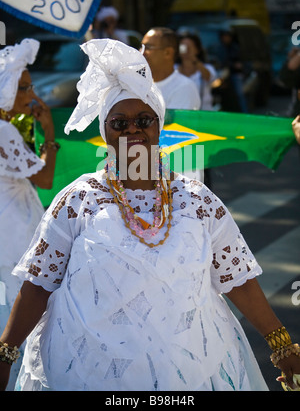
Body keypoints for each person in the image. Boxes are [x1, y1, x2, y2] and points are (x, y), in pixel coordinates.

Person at [1, 39, 300, 392]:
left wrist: (281, 346)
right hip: (88, 372)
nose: (132, 130)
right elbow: (38, 285)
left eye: (144, 120)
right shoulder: (79, 199)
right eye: (119, 122)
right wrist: (6, 352)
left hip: (188, 368)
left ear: (159, 127)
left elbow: (238, 279)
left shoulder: (196, 200)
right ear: (105, 131)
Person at [0, 38, 59, 390]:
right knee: (22, 307)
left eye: (30, 86)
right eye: (22, 87)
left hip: (7, 224)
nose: (31, 94)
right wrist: (49, 132)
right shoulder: (5, 130)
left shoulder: (8, 127)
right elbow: (46, 177)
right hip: (16, 229)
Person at [141, 27, 201, 110]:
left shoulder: (185, 88)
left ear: (168, 53)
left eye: (148, 47)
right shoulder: (137, 84)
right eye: (141, 47)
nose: (141, 52)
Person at [177, 33, 217, 111]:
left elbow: (208, 77)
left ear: (197, 49)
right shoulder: (173, 68)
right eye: (183, 46)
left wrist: (193, 59)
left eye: (190, 46)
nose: (187, 50)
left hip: (203, 114)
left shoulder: (207, 68)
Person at [217, 29, 249, 113]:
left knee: (240, 94)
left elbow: (242, 61)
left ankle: (245, 112)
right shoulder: (220, 48)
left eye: (227, 36)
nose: (226, 38)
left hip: (235, 74)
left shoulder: (235, 47)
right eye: (224, 37)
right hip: (223, 74)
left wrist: (237, 65)